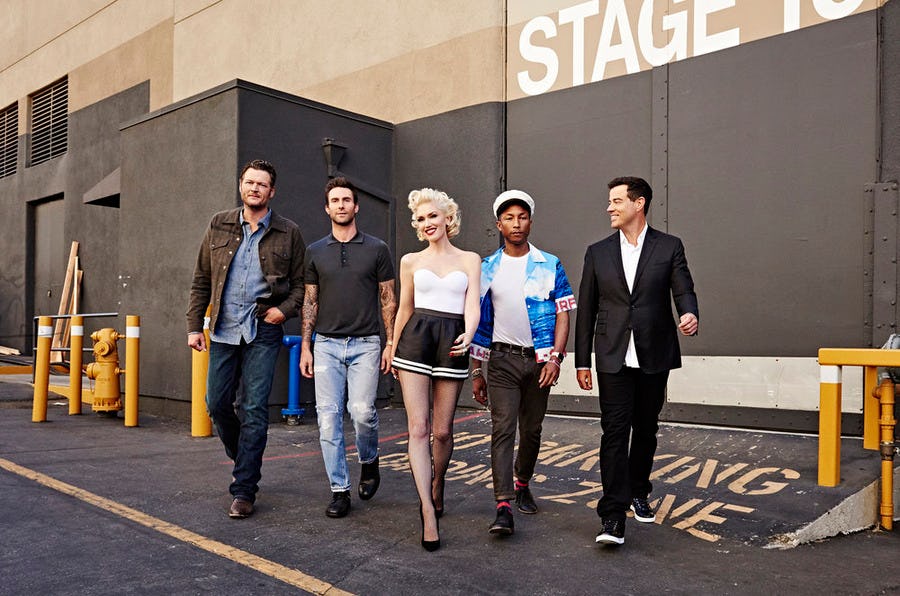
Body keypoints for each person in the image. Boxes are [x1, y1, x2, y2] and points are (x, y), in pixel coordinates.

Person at [575, 176, 698, 546]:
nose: (609, 208)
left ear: (638, 203)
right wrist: (582, 361)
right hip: (611, 353)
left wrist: (689, 313)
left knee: (645, 428)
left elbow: (683, 287)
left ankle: (638, 490)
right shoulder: (597, 252)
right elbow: (587, 309)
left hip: (653, 351)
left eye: (616, 201)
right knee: (614, 431)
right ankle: (612, 516)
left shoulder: (669, 246)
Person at [187, 159, 306, 519]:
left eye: (262, 184)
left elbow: (302, 286)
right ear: (241, 186)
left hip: (263, 329)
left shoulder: (288, 232)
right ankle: (245, 457)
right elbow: (201, 279)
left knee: (253, 409)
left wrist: (283, 311)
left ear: (272, 191)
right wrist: (194, 326)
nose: (255, 188)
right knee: (216, 403)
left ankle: (243, 489)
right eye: (249, 182)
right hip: (223, 328)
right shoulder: (219, 223)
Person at [469, 190, 577, 537]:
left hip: (539, 361)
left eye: (522, 217)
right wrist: (477, 370)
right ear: (499, 224)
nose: (516, 224)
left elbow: (563, 314)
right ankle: (503, 506)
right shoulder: (486, 268)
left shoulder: (550, 263)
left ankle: (522, 482)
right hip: (501, 360)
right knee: (502, 429)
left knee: (531, 429)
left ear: (530, 221)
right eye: (509, 218)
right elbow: (479, 321)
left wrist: (556, 358)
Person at [300, 177, 397, 519]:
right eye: (335, 201)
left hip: (366, 343)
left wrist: (390, 343)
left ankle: (369, 460)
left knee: (361, 412)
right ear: (327, 208)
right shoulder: (314, 251)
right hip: (326, 345)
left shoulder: (377, 249)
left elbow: (388, 299)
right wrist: (307, 346)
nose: (341, 205)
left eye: (346, 200)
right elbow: (310, 301)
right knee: (327, 419)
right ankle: (339, 490)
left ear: (356, 206)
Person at [390, 188, 480, 551]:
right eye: (421, 218)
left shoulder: (470, 259)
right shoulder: (410, 260)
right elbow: (404, 308)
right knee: (418, 428)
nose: (427, 223)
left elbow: (472, 304)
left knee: (442, 432)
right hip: (415, 341)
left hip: (452, 341)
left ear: (448, 218)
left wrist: (470, 333)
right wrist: (392, 347)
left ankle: (437, 481)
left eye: (432, 216)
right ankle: (427, 509)